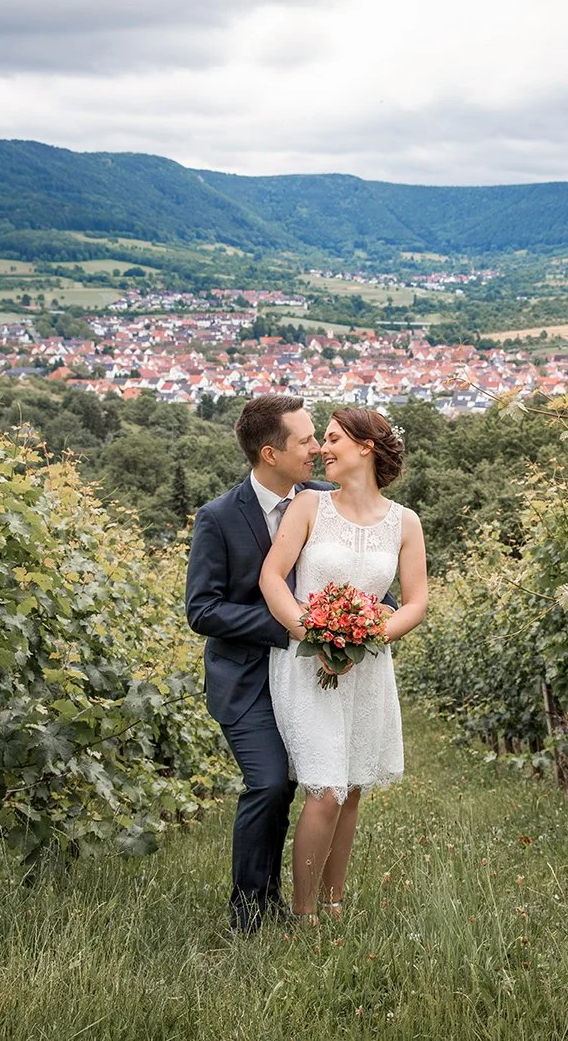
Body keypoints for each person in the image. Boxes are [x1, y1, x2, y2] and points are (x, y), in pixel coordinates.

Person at [258, 406, 427, 923]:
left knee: (351, 788)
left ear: (366, 446)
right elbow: (272, 578)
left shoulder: (405, 522)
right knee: (326, 790)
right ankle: (303, 914)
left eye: (332, 439)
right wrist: (314, 634)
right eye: (322, 440)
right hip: (307, 663)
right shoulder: (309, 505)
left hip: (368, 665)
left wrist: (363, 636)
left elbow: (416, 602)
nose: (321, 449)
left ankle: (333, 905)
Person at [184, 394, 328, 934]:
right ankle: (248, 916)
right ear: (270, 453)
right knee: (268, 783)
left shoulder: (324, 501)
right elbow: (203, 609)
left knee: (295, 786)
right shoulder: (218, 518)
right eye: (305, 440)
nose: (316, 448)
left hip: (310, 677)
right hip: (245, 680)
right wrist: (292, 626)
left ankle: (275, 900)